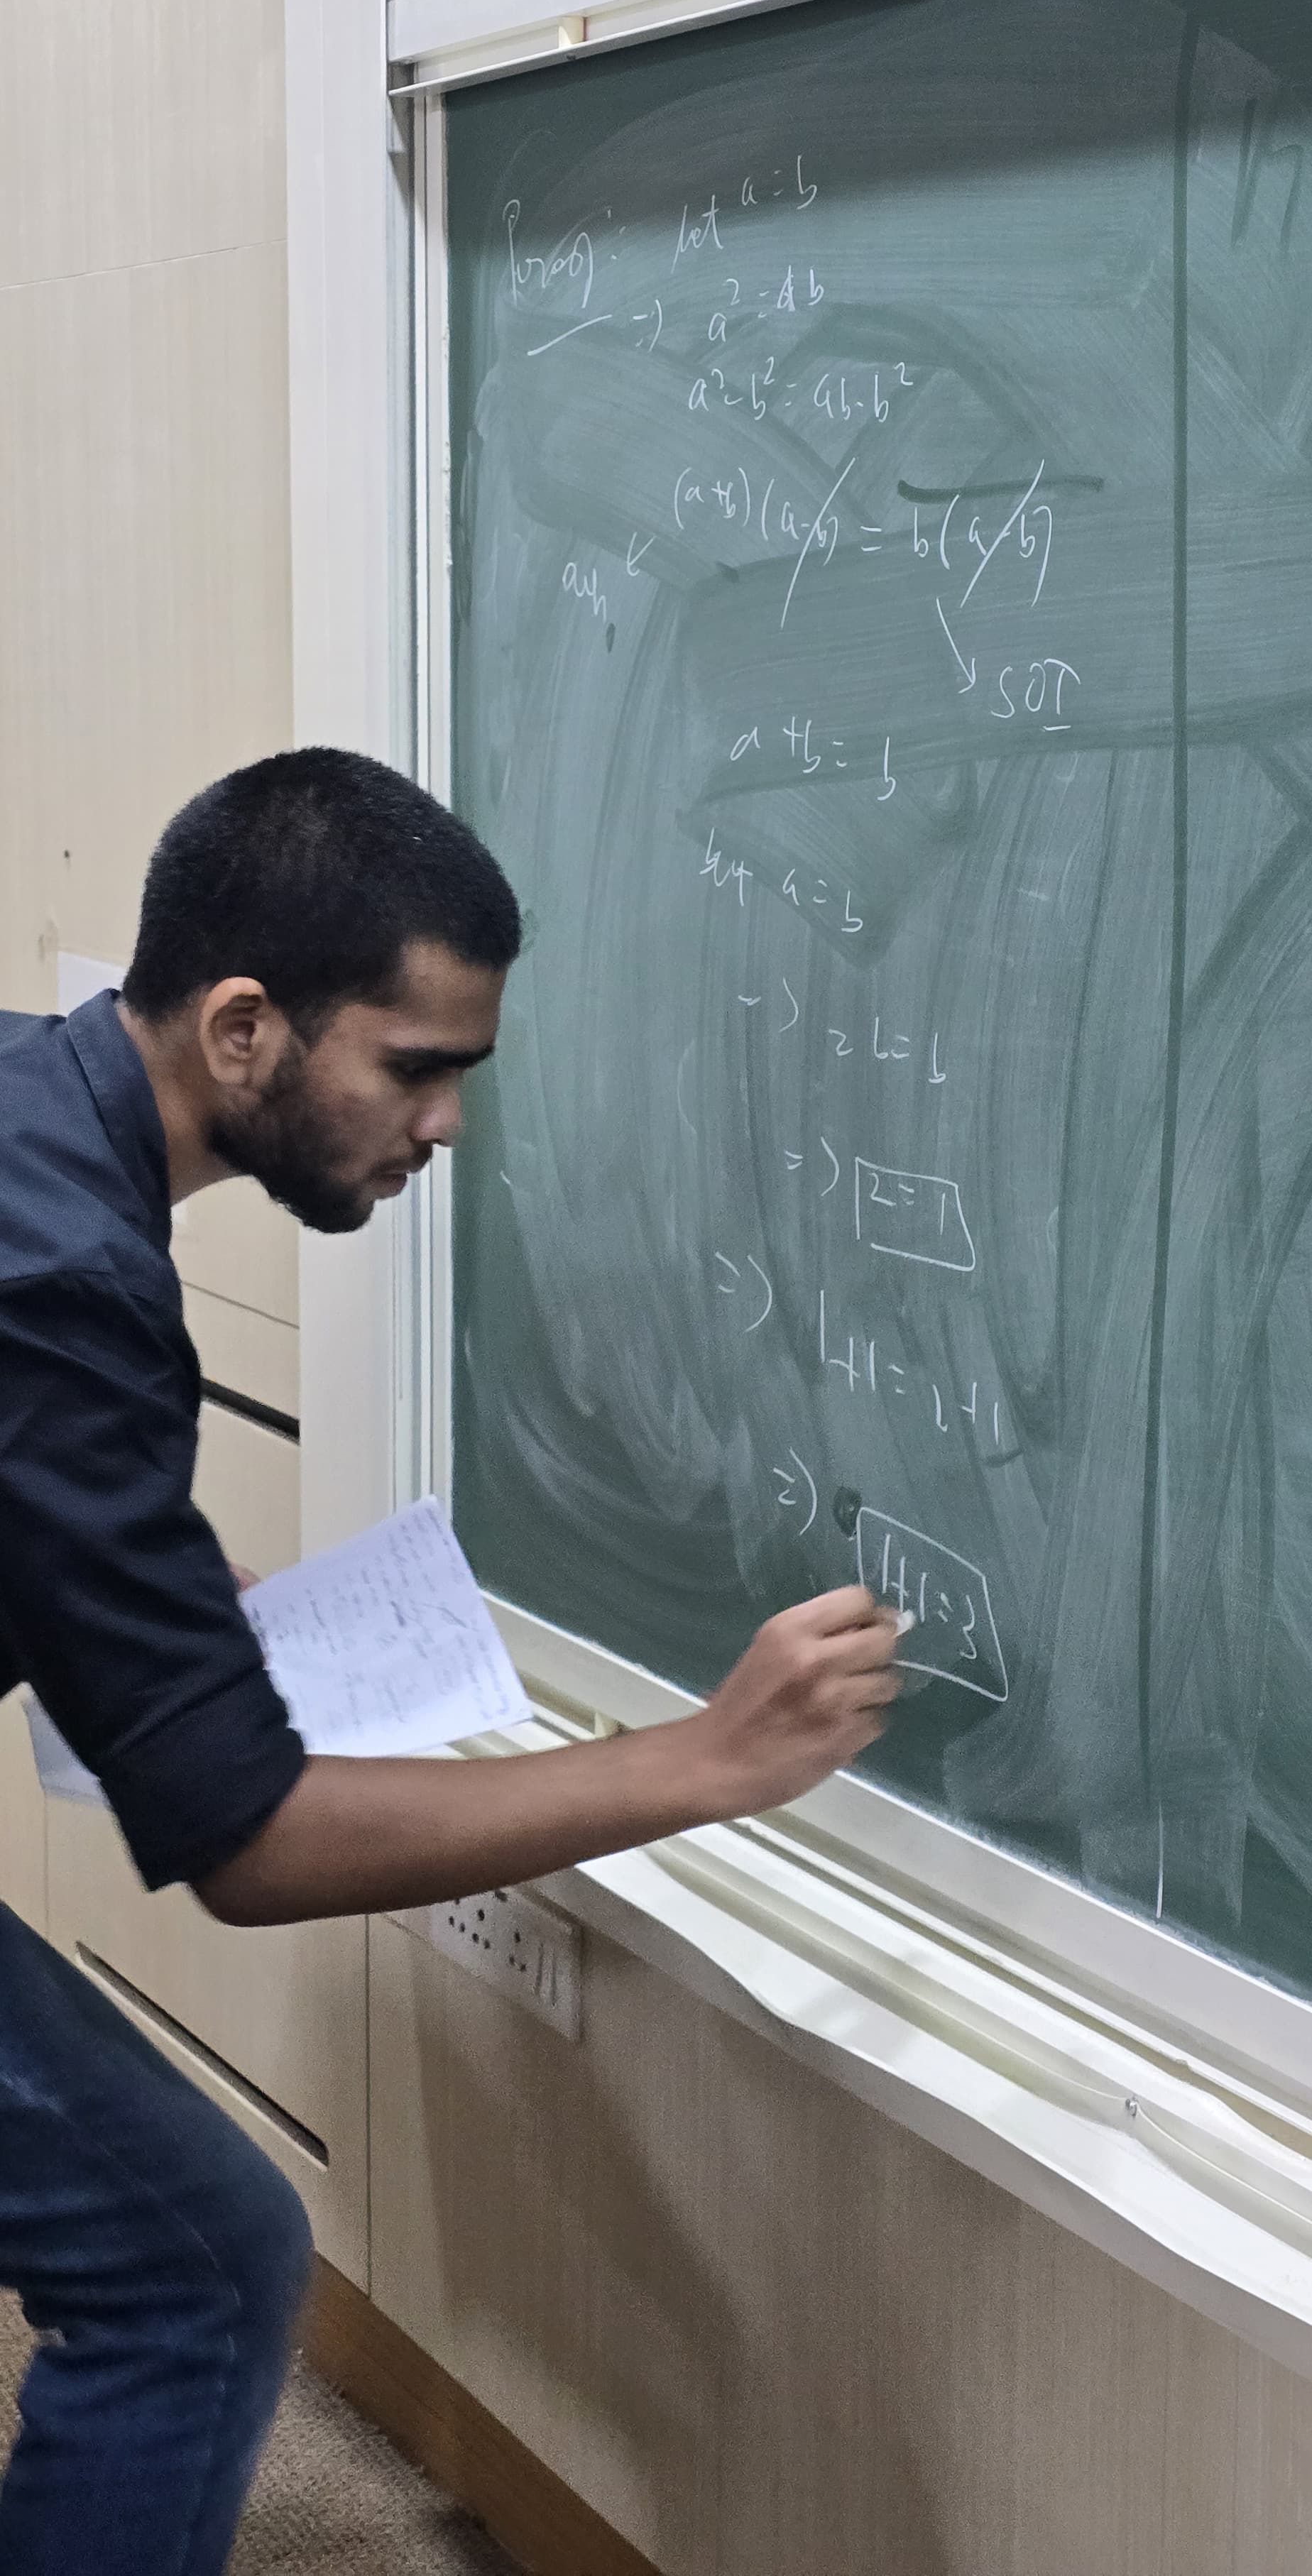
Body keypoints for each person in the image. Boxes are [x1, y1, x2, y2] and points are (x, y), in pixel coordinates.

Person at [0, 747, 904, 2572]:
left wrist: (112, 1579)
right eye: (415, 1067)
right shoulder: (67, 1280)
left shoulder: (32, 1100)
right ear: (243, 1026)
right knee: (203, 2264)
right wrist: (700, 1759)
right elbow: (246, 1840)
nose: (447, 1125)